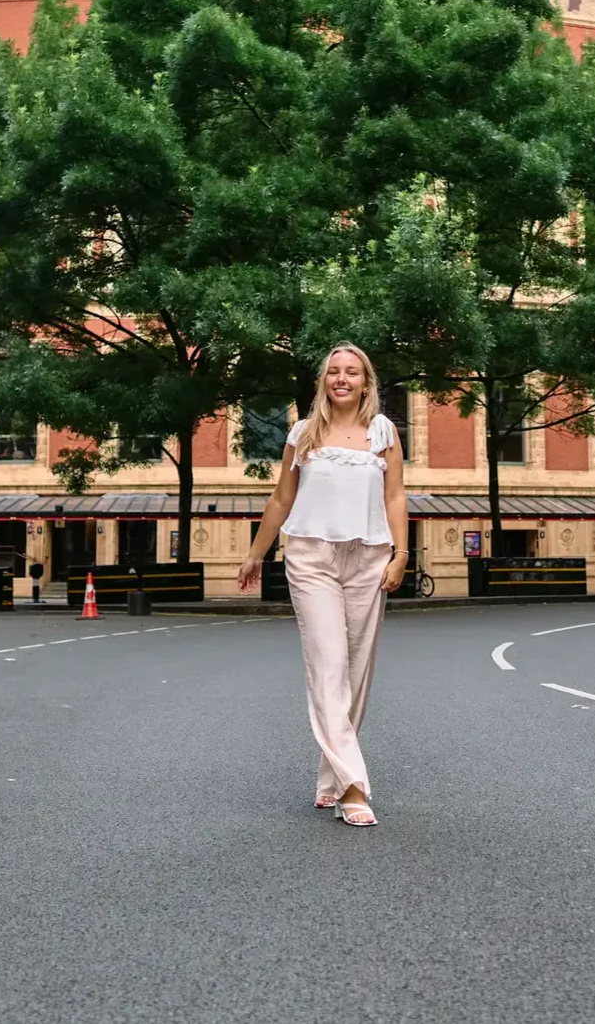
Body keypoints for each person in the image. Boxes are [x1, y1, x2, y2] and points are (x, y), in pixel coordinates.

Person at [236, 344, 410, 828]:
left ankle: (330, 778)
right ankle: (354, 785)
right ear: (323, 381)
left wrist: (402, 553)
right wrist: (256, 553)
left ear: (365, 382)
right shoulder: (302, 433)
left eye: (352, 372)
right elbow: (280, 498)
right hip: (311, 557)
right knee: (329, 663)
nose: (342, 379)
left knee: (355, 673)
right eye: (334, 371)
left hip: (369, 557)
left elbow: (395, 496)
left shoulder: (383, 433)